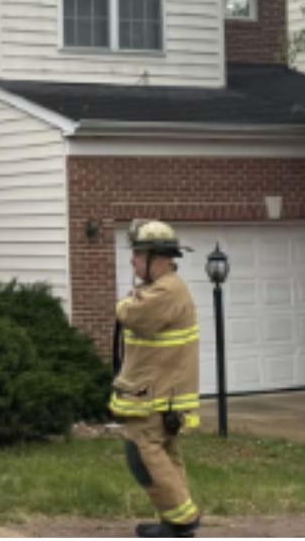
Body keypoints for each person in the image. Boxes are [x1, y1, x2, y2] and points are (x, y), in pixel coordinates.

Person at [111, 219, 203, 538]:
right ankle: (175, 519)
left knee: (143, 452)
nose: (132, 260)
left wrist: (126, 303)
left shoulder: (166, 291)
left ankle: (181, 520)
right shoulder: (160, 289)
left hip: (157, 396)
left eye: (138, 254)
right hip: (160, 392)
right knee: (165, 455)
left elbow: (131, 314)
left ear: (158, 258)